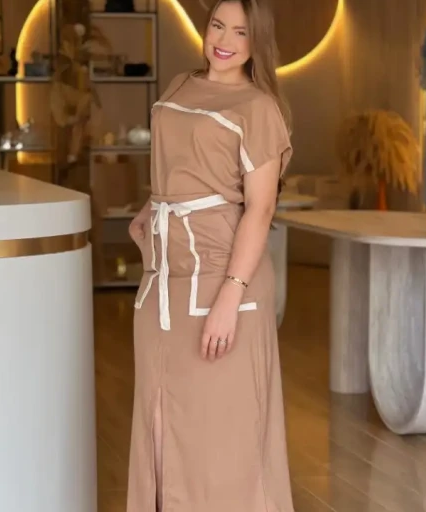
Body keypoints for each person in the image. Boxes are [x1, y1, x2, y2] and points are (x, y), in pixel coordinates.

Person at [127, 0, 294, 510]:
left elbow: (260, 209)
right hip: (164, 278)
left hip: (223, 276)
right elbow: (181, 167)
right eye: (218, 25)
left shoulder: (258, 108)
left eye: (240, 32)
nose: (224, 40)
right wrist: (150, 210)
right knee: (159, 418)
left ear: (256, 42)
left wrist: (229, 297)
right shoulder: (181, 84)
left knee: (221, 434)